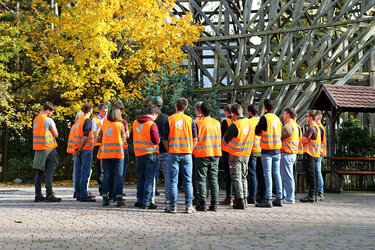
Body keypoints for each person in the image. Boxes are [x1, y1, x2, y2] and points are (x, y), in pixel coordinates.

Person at [163, 98, 198, 214]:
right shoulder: (190, 120)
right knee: (188, 181)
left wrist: (170, 150)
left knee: (173, 181)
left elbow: (165, 139)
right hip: (187, 153)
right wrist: (190, 149)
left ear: (176, 106)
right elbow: (195, 139)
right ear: (186, 107)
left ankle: (173, 206)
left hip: (174, 152)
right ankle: (189, 206)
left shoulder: (170, 119)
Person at [223, 104, 254, 209]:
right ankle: (245, 198)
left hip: (235, 154)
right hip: (247, 153)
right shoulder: (250, 123)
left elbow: (225, 139)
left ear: (233, 114)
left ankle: (239, 200)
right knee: (244, 176)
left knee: (236, 177)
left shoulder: (235, 125)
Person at [255, 99, 283, 208]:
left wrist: (262, 132)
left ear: (265, 107)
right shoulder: (277, 118)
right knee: (277, 174)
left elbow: (256, 131)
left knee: (267, 174)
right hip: (277, 150)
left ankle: (268, 199)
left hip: (267, 150)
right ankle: (279, 198)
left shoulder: (265, 118)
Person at [194, 102, 222, 212]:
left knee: (201, 180)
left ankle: (202, 203)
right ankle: (214, 204)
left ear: (200, 111)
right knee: (213, 180)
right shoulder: (217, 123)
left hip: (202, 154)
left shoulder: (198, 123)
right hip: (215, 154)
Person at [132, 104, 161, 209]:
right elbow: (156, 140)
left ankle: (139, 200)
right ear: (153, 114)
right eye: (156, 116)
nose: (156, 119)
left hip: (139, 154)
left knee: (141, 177)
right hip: (151, 154)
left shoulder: (135, 123)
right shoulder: (151, 124)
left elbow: (132, 137)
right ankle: (147, 201)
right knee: (149, 178)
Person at [97, 107, 126, 207]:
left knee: (106, 175)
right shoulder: (120, 125)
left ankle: (105, 197)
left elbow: (98, 139)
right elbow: (124, 140)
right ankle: (118, 198)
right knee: (119, 175)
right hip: (118, 153)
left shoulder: (104, 126)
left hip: (105, 153)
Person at [33, 102, 61, 202]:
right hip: (49, 148)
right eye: (51, 112)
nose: (51, 114)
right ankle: (49, 194)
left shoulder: (36, 119)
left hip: (38, 149)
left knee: (39, 172)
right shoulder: (48, 120)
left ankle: (38, 194)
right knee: (50, 172)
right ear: (47, 111)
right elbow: (56, 134)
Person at [72, 103, 96, 202]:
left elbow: (75, 136)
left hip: (77, 150)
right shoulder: (87, 121)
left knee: (78, 172)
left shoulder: (78, 122)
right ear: (90, 110)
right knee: (85, 172)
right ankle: (83, 194)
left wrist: (76, 149)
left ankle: (78, 193)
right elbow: (85, 136)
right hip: (85, 149)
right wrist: (81, 148)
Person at [300, 110, 321, 203]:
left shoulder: (311, 128)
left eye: (307, 116)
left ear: (311, 117)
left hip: (309, 154)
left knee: (311, 175)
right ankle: (314, 194)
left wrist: (303, 139)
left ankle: (312, 195)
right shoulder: (316, 127)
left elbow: (303, 141)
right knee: (315, 175)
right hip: (315, 154)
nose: (305, 118)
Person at [151, 96, 170, 204]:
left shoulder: (150, 119)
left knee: (152, 175)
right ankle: (168, 198)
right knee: (168, 176)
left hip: (153, 150)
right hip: (165, 150)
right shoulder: (167, 118)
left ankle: (151, 197)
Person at [247, 104, 265, 204]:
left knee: (252, 174)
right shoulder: (260, 121)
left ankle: (252, 196)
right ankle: (261, 195)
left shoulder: (248, 122)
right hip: (261, 149)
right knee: (261, 174)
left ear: (250, 112)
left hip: (252, 150)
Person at [280, 108, 299, 204]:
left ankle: (289, 198)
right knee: (288, 176)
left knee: (287, 177)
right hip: (292, 153)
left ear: (288, 115)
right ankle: (287, 196)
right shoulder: (295, 126)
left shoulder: (287, 126)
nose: (283, 115)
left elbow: (279, 137)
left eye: (284, 113)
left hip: (287, 153)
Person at [112, 101, 130, 199]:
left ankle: (112, 193)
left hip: (110, 150)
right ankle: (118, 193)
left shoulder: (108, 122)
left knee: (111, 172)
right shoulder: (123, 122)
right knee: (121, 173)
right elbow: (126, 135)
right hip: (122, 149)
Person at [67, 110, 84, 198]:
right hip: (78, 149)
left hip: (74, 149)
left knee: (77, 171)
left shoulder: (74, 126)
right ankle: (80, 190)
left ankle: (77, 191)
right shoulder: (79, 126)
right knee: (80, 171)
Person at [219, 104, 234, 206]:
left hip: (226, 150)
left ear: (226, 112)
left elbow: (222, 136)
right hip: (237, 150)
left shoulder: (226, 122)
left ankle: (229, 197)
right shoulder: (237, 121)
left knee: (229, 174)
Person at [92, 103, 108, 195]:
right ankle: (101, 187)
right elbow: (95, 133)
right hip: (97, 145)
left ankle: (107, 187)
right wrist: (103, 126)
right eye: (103, 112)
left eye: (106, 112)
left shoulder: (108, 119)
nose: (105, 114)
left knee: (106, 167)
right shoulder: (95, 120)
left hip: (106, 145)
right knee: (99, 167)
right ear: (99, 111)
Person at [192, 101, 203, 205]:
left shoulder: (194, 122)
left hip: (196, 152)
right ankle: (204, 195)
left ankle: (197, 196)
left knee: (196, 176)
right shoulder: (213, 122)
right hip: (210, 152)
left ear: (196, 110)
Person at [316, 110, 326, 201]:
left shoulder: (319, 128)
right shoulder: (320, 127)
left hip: (318, 153)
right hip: (319, 153)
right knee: (317, 172)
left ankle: (320, 192)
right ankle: (319, 191)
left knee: (318, 172)